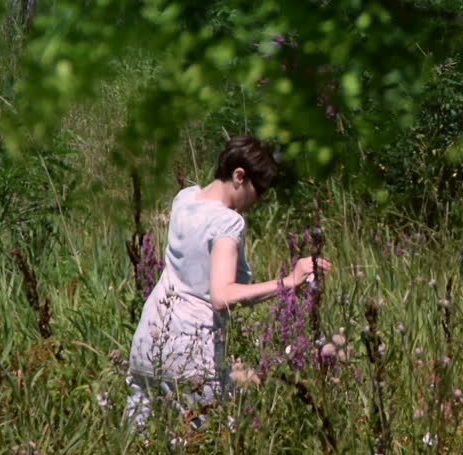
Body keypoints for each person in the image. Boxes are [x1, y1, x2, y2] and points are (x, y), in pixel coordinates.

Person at [124, 135, 331, 430]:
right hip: (189, 352)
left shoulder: (185, 198)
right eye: (259, 190)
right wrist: (289, 281)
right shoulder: (227, 223)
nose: (258, 200)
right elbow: (222, 296)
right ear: (239, 176)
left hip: (148, 340)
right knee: (209, 442)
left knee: (140, 442)